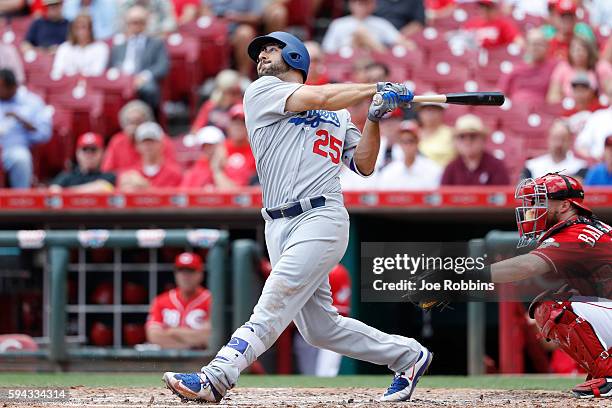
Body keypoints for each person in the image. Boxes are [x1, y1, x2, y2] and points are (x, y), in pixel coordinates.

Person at [162, 31, 431, 403]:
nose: (262, 58)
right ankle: (409, 356)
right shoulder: (261, 92)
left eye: (271, 50)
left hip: (321, 216)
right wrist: (375, 87)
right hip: (277, 223)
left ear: (294, 56)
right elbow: (318, 96)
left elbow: (364, 164)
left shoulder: (337, 114)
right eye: (260, 53)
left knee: (275, 297)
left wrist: (373, 118)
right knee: (320, 329)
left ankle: (216, 376)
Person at [411, 172, 612, 399]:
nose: (534, 208)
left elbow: (526, 267)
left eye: (541, 201)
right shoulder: (584, 228)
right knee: (565, 296)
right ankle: (604, 372)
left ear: (565, 205)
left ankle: (609, 374)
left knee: (554, 305)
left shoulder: (575, 233)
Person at [293, 264, 351, 377]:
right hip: (305, 328)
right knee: (309, 375)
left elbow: (341, 311)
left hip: (330, 330)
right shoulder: (299, 268)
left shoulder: (337, 271)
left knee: (326, 374)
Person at [108, 5, 169, 110]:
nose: (135, 25)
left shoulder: (156, 43)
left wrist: (144, 76)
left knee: (149, 89)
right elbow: (112, 67)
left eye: (139, 21)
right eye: (132, 22)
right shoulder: (119, 46)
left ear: (145, 23)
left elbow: (162, 66)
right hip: (122, 81)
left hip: (142, 80)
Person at [146, 252, 212, 349]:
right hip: (167, 362)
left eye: (190, 271)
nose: (185, 276)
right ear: (175, 274)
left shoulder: (210, 300)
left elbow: (208, 337)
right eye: (181, 271)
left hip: (202, 361)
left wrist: (172, 331)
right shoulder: (160, 300)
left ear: (200, 274)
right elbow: (153, 336)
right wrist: (190, 345)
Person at [202, 0, 284, 76]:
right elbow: (203, 13)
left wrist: (235, 17)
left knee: (244, 33)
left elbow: (257, 17)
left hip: (235, 32)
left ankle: (243, 77)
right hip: (214, 32)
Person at [0, 69, 52, 188]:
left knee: (21, 159)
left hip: (13, 149)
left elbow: (45, 134)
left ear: (13, 86)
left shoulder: (32, 102)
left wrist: (21, 120)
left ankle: (21, 199)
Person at [102, 100, 176, 173]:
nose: (134, 127)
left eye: (138, 122)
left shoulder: (160, 140)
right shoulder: (117, 141)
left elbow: (173, 169)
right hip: (125, 183)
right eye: (130, 122)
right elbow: (108, 171)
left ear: (147, 122)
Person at [441, 114, 511, 186]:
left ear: (483, 139)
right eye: (462, 137)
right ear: (456, 142)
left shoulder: (496, 166)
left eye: (473, 136)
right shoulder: (451, 169)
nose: (467, 142)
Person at [498, 28, 557, 107]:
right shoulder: (514, 69)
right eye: (533, 44)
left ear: (547, 46)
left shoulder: (555, 67)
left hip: (541, 112)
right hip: (515, 111)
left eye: (540, 44)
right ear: (527, 46)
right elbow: (500, 93)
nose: (536, 48)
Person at [321, 0, 408, 53]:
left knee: (362, 33)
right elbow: (327, 50)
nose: (361, 6)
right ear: (351, 4)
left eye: (366, 3)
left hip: (374, 63)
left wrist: (369, 41)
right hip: (346, 63)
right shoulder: (338, 24)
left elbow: (406, 45)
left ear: (373, 4)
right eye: (358, 2)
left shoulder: (381, 23)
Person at [378, 120, 442, 190]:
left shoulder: (433, 169)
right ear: (399, 143)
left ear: (418, 142)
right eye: (404, 141)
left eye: (411, 141)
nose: (407, 146)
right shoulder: (389, 172)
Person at [118, 121, 182, 190]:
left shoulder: (175, 173)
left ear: (161, 144)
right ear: (137, 145)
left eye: (152, 141)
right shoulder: (129, 174)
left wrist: (147, 188)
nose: (148, 145)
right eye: (144, 142)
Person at [547, 35, 611, 104]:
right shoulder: (562, 68)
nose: (578, 53)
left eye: (581, 49)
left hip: (597, 109)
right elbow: (553, 96)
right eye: (574, 49)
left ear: (589, 51)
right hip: (570, 110)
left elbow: (610, 88)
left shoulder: (601, 66)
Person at [521, 120, 587, 179]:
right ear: (549, 138)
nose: (559, 144)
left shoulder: (579, 167)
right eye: (555, 138)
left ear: (570, 141)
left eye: (563, 139)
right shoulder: (532, 166)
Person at [49, 132, 115, 192]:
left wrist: (65, 191)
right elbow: (53, 191)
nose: (89, 155)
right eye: (85, 149)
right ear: (77, 153)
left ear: (102, 153)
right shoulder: (67, 176)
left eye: (93, 150)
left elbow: (103, 187)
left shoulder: (109, 176)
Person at [210, 104, 257, 188]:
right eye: (234, 123)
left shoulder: (255, 149)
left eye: (241, 123)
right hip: (226, 197)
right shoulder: (221, 148)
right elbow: (216, 176)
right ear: (229, 126)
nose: (238, 127)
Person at [51, 13, 109, 78]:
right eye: (77, 28)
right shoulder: (64, 48)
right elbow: (56, 73)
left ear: (90, 29)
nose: (80, 32)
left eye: (83, 27)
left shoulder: (101, 48)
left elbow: (97, 73)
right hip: (67, 85)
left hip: (90, 86)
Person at [416, 95, 455, 167]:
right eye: (427, 110)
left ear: (441, 112)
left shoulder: (451, 134)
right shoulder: (413, 133)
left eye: (434, 110)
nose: (430, 114)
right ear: (420, 113)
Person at [575, 86, 612, 160]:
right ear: (608, 96)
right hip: (599, 165)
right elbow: (581, 145)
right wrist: (593, 160)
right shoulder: (597, 117)